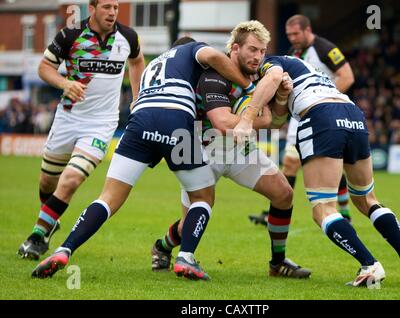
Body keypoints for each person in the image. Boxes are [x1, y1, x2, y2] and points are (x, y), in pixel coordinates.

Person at [31, 36, 257, 281]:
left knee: (108, 198)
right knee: (203, 197)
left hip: (139, 122)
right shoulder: (191, 50)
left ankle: (65, 249)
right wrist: (248, 85)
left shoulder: (154, 63)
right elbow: (213, 56)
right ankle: (186, 257)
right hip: (176, 120)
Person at [233, 55, 400, 287]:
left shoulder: (273, 63)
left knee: (322, 209)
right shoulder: (308, 70)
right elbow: (279, 115)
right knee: (367, 199)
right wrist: (282, 97)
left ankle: (369, 265)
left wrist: (246, 118)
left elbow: (273, 82)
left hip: (321, 116)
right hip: (352, 113)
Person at [151, 21, 311, 279]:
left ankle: (277, 263)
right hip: (201, 150)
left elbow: (276, 122)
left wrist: (281, 97)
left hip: (240, 150)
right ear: (235, 48)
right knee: (190, 223)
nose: (258, 56)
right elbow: (223, 123)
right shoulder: (214, 75)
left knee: (284, 195)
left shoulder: (259, 76)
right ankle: (162, 247)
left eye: (262, 50)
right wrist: (259, 118)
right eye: (252, 49)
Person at [18, 0, 145, 260]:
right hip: (67, 118)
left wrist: (137, 98)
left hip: (101, 124)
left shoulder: (128, 37)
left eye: (116, 8)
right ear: (92, 7)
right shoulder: (70, 35)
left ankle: (37, 237)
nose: (112, 13)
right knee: (47, 183)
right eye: (107, 7)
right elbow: (44, 68)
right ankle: (50, 218)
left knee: (72, 179)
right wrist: (65, 83)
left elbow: (137, 61)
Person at [249, 14, 355, 226]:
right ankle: (277, 211)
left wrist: (322, 101)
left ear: (308, 30)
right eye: (289, 35)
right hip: (301, 114)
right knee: (290, 164)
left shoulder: (325, 48)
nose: (293, 38)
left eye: (296, 34)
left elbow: (347, 76)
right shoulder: (292, 54)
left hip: (325, 111)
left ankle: (344, 212)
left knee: (327, 163)